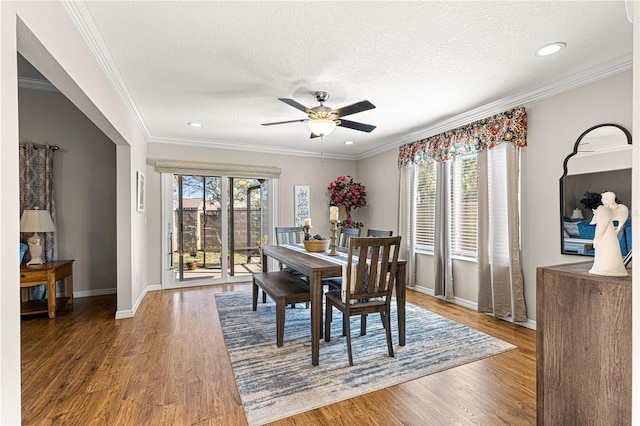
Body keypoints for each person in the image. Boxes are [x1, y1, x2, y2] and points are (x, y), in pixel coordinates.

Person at [589, 191, 628, 276]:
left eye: (603, 198)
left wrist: (597, 238)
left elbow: (603, 226)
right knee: (611, 249)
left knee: (604, 248)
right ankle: (613, 268)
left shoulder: (602, 209)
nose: (601, 200)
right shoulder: (613, 210)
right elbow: (619, 225)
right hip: (611, 234)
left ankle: (604, 268)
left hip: (604, 233)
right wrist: (616, 232)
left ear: (606, 199)